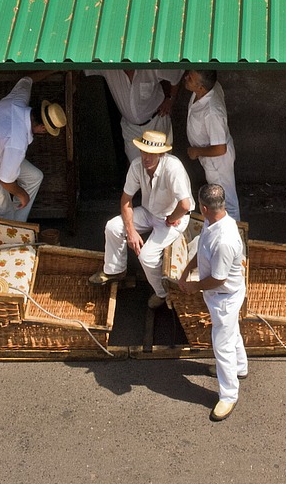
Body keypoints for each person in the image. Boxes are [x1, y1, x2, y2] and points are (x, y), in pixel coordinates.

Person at [168, 183, 247, 422]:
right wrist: (186, 271)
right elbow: (202, 251)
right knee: (231, 334)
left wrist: (193, 286)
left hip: (224, 298)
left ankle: (229, 395)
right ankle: (240, 367)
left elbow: (218, 279)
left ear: (203, 207)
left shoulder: (225, 240)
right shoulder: (213, 222)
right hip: (220, 296)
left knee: (221, 345)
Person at [91, 129, 193, 309]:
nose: (147, 157)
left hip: (174, 217)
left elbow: (184, 205)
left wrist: (172, 218)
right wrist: (131, 231)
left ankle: (163, 294)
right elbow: (125, 201)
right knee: (113, 227)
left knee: (147, 256)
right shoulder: (137, 166)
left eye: (152, 154)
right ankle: (115, 271)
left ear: (161, 153)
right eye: (144, 151)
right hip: (149, 212)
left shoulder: (172, 167)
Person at [0, 72, 63, 223]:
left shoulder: (18, 100)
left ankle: (18, 224)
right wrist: (22, 194)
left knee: (35, 177)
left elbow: (27, 79)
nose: (44, 133)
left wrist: (53, 69)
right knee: (4, 212)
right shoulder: (17, 142)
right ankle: (11, 232)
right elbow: (5, 181)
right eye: (47, 130)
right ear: (42, 127)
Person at [84, 69, 183, 162]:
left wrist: (170, 99)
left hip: (156, 123)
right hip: (131, 128)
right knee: (137, 168)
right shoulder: (110, 69)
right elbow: (81, 65)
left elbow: (177, 74)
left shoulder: (151, 66)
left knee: (160, 166)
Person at [183, 69, 240, 221]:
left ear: (201, 87)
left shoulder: (212, 112)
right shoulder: (210, 87)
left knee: (226, 201)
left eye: (190, 78)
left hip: (217, 161)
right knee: (221, 196)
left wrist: (196, 151)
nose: (186, 77)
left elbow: (220, 148)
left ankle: (236, 236)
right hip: (210, 158)